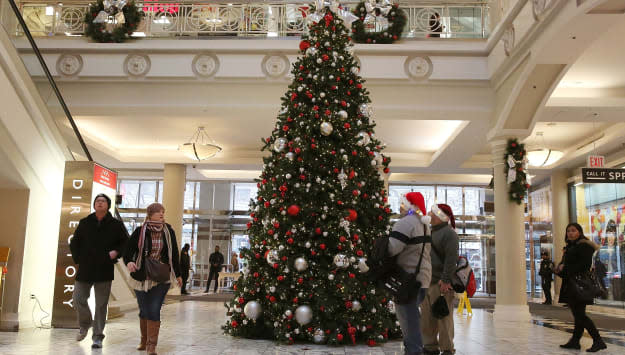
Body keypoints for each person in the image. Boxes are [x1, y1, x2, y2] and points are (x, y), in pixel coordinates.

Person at [70, 194, 127, 349]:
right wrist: (78, 258)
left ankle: (97, 337)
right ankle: (85, 324)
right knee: (78, 298)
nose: (100, 203)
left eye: (103, 201)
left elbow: (125, 242)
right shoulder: (85, 222)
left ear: (108, 205)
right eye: (97, 201)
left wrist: (116, 252)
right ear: (94, 205)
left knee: (101, 304)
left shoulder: (115, 224)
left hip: (104, 267)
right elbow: (74, 242)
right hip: (86, 267)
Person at [124, 203, 182, 355]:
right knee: (144, 310)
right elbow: (128, 250)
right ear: (150, 214)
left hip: (161, 277)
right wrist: (129, 261)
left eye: (163, 211)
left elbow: (174, 254)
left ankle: (151, 345)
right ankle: (144, 339)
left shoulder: (168, 231)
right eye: (158, 212)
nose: (161, 214)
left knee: (154, 309)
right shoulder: (140, 231)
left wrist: (179, 274)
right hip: (142, 276)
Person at [388, 192, 432, 355]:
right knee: (412, 319)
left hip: (408, 280)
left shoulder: (405, 223)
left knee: (409, 322)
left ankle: (414, 352)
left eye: (401, 204)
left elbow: (392, 249)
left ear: (408, 206)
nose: (399, 207)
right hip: (422, 279)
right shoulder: (424, 224)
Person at [557, 223, 607, 352]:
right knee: (578, 313)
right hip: (572, 283)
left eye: (573, 230)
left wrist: (565, 268)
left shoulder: (584, 245)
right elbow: (564, 264)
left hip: (579, 284)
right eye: (568, 231)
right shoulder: (571, 246)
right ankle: (575, 341)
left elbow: (583, 265)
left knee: (579, 315)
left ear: (579, 232)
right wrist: (560, 268)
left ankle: (598, 340)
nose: (570, 233)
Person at [421, 204, 459, 355]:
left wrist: (445, 279)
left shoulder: (449, 234)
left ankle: (447, 348)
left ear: (440, 216)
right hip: (427, 281)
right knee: (427, 318)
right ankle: (430, 346)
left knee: (444, 318)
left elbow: (451, 259)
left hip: (440, 283)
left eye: (432, 212)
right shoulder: (430, 231)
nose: (429, 214)